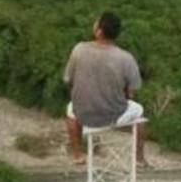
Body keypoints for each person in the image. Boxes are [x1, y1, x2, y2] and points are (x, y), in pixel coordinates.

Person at [63, 11, 147, 166]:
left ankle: (78, 154)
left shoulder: (79, 49)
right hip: (113, 115)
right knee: (139, 112)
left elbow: (68, 80)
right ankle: (139, 159)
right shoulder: (126, 58)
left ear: (99, 31)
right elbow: (132, 92)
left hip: (84, 113)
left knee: (70, 110)